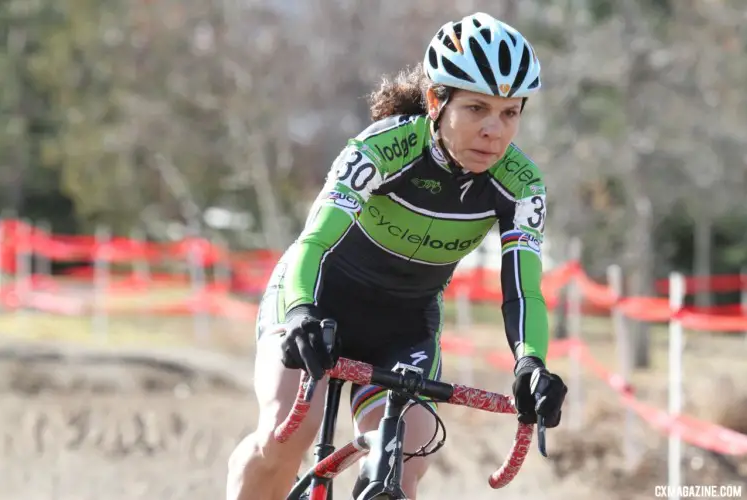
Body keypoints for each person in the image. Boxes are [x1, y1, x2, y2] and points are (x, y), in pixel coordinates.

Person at [226, 12, 568, 500]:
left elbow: (524, 290)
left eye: (509, 113)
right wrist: (302, 309)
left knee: (403, 466)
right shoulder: (383, 149)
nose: (494, 130)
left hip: (403, 328)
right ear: (436, 100)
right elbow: (314, 243)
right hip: (318, 300)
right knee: (285, 435)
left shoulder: (521, 185)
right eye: (476, 109)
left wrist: (531, 364)